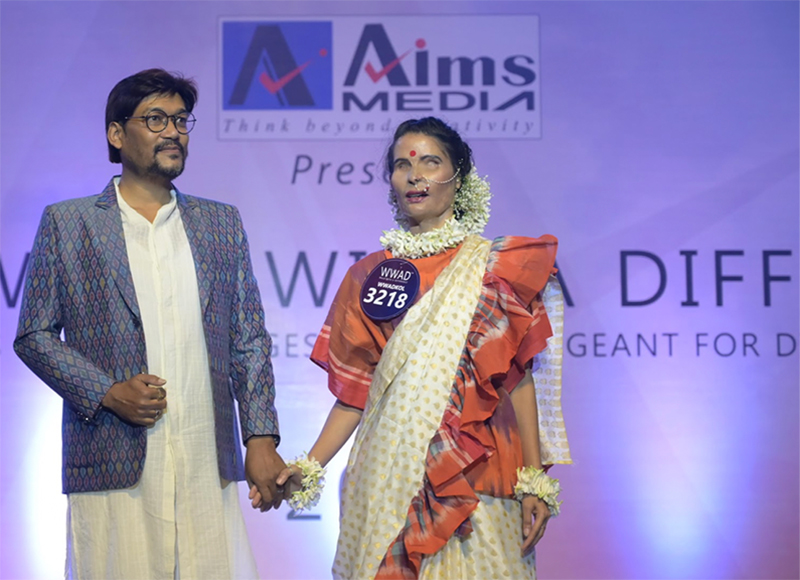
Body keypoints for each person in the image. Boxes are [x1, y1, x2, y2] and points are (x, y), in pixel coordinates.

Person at [14, 68, 284, 579]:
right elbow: (34, 335)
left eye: (181, 120)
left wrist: (260, 436)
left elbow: (248, 339)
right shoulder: (69, 223)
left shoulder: (220, 223)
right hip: (113, 457)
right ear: (117, 134)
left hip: (206, 459)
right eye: (156, 119)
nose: (173, 132)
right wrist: (107, 392)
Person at [272, 116, 572, 579]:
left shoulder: (495, 269)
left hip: (475, 474)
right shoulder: (368, 276)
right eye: (401, 165)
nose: (414, 175)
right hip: (387, 476)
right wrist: (310, 467)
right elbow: (356, 395)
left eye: (430, 162)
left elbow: (519, 380)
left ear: (459, 176)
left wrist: (535, 479)